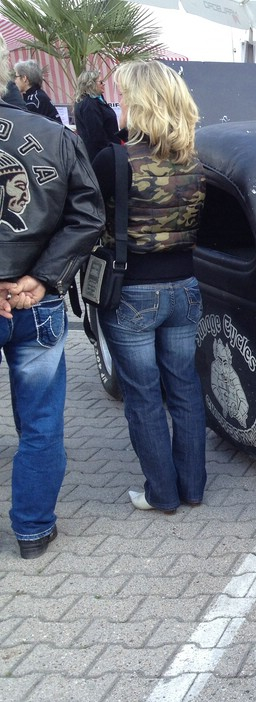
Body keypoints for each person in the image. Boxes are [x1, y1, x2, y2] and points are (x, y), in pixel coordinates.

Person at [0, 37, 105, 559]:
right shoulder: (54, 135)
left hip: (29, 293)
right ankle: (33, 531)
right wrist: (42, 279)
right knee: (41, 422)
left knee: (40, 421)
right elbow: (88, 216)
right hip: (34, 300)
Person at [91, 60, 208, 514]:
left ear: (140, 103)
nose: (116, 103)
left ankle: (162, 493)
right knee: (185, 387)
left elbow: (87, 218)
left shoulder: (114, 159)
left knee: (143, 395)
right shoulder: (195, 161)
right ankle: (192, 487)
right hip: (186, 287)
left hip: (133, 291)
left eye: (121, 96)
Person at [73, 70, 120, 161]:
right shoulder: (89, 104)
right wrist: (110, 152)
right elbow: (96, 134)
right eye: (101, 82)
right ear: (91, 84)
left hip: (105, 151)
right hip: (101, 155)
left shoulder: (95, 99)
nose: (104, 84)